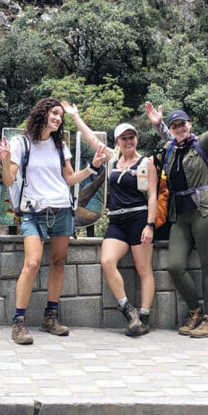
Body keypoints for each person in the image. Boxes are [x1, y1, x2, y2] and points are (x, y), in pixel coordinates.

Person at [0, 99, 108, 345]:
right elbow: (8, 180)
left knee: (58, 262)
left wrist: (92, 167)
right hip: (33, 213)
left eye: (60, 115)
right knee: (32, 262)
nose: (58, 118)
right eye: (54, 113)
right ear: (42, 113)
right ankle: (19, 322)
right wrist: (5, 160)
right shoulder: (21, 143)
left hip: (61, 210)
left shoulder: (60, 146)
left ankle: (50, 316)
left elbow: (69, 179)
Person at [145, 59, 208, 338]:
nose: (179, 128)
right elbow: (169, 138)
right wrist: (159, 124)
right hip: (181, 214)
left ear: (190, 124)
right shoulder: (172, 149)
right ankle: (196, 309)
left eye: (182, 123)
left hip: (207, 210)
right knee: (174, 265)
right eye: (175, 126)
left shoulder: (204, 143)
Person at [63, 105, 156, 336]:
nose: (128, 142)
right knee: (107, 261)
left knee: (144, 269)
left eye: (131, 137)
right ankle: (127, 309)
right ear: (117, 141)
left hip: (138, 218)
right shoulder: (112, 159)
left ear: (136, 139)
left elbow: (153, 195)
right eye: (123, 138)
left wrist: (150, 225)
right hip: (116, 221)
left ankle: (144, 317)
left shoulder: (147, 162)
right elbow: (91, 138)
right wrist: (75, 116)